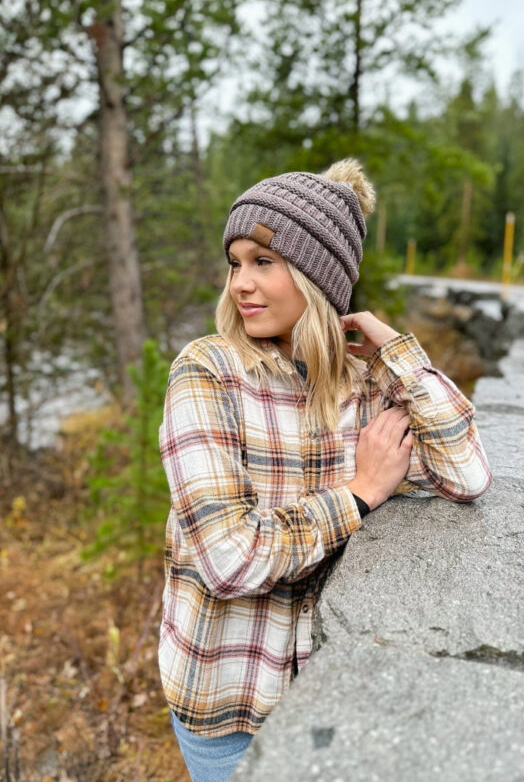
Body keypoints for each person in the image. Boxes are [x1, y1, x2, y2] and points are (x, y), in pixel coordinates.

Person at [157, 158, 492, 782]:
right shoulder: (208, 371)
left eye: (264, 262)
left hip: (327, 698)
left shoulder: (366, 384)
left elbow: (468, 476)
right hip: (227, 706)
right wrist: (361, 493)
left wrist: (398, 352)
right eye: (235, 263)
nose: (240, 284)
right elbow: (229, 558)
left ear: (318, 278)